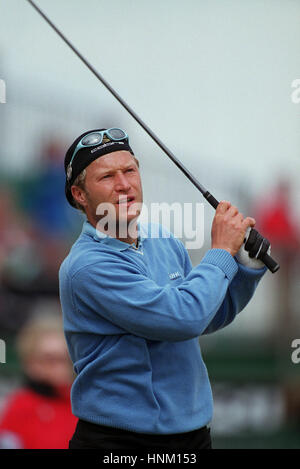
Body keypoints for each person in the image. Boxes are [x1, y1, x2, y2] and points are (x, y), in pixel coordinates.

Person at [59, 127, 268, 450]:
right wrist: (220, 251)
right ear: (80, 195)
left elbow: (208, 314)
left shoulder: (162, 238)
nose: (124, 184)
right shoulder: (87, 266)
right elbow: (182, 318)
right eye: (107, 177)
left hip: (192, 436)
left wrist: (246, 267)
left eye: (130, 170)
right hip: (119, 441)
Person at [0, 308, 77, 449]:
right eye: (50, 359)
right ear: (31, 363)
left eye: (65, 358)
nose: (60, 367)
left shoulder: (81, 403)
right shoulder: (19, 407)